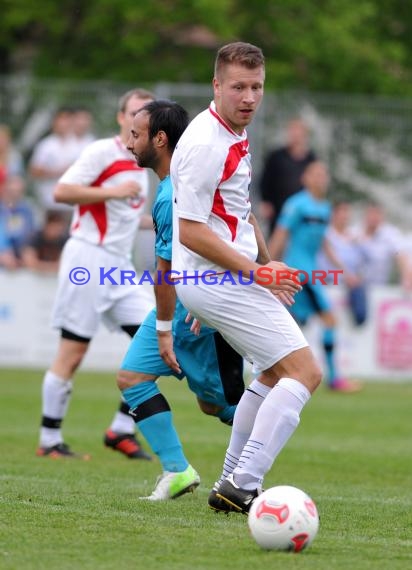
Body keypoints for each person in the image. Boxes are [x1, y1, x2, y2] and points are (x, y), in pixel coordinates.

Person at [170, 41, 322, 514]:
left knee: (276, 373)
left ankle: (230, 481)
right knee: (305, 373)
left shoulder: (232, 131)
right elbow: (191, 232)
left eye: (256, 86)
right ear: (216, 85)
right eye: (238, 87)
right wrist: (253, 273)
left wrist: (265, 264)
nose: (249, 97)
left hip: (219, 281)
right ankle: (244, 484)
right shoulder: (204, 144)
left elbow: (236, 214)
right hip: (217, 279)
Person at [119, 99, 245, 500]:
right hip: (174, 307)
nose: (128, 143)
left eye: (136, 135)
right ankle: (177, 470)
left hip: (193, 311)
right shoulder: (172, 186)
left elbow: (168, 271)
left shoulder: (172, 193)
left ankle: (265, 436)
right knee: (132, 378)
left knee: (220, 405)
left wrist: (168, 328)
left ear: (159, 138)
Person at [36, 88, 156, 460]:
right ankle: (49, 440)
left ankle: (120, 430)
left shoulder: (144, 163)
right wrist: (112, 192)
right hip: (87, 259)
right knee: (73, 352)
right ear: (122, 117)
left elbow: (126, 217)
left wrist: (161, 224)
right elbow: (62, 191)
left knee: (156, 340)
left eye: (146, 114)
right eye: (134, 112)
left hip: (120, 266)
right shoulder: (102, 152)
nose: (139, 120)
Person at [269, 161, 362, 392]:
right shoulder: (296, 205)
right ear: (305, 178)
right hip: (299, 274)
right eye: (316, 174)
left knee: (292, 326)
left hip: (311, 274)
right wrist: (265, 267)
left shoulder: (325, 208)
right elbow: (281, 235)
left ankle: (274, 376)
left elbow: (323, 244)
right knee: (328, 320)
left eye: (324, 174)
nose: (321, 178)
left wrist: (345, 271)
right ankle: (334, 379)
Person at [258, 118, 316, 234]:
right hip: (279, 209)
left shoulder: (311, 159)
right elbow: (265, 180)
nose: (296, 136)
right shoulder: (276, 156)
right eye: (293, 131)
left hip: (303, 211)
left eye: (299, 132)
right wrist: (265, 201)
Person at [317, 200, 368, 326]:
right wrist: (346, 274)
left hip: (348, 284)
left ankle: (359, 320)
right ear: (334, 214)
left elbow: (361, 262)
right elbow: (330, 255)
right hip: (328, 280)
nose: (345, 215)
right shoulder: (325, 233)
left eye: (347, 212)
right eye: (342, 211)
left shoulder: (354, 236)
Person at [356, 202, 412, 289]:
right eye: (371, 213)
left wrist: (406, 277)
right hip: (353, 286)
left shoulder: (389, 234)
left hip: (378, 288)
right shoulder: (355, 232)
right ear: (365, 215)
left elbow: (401, 255)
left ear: (382, 216)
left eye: (377, 213)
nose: (374, 217)